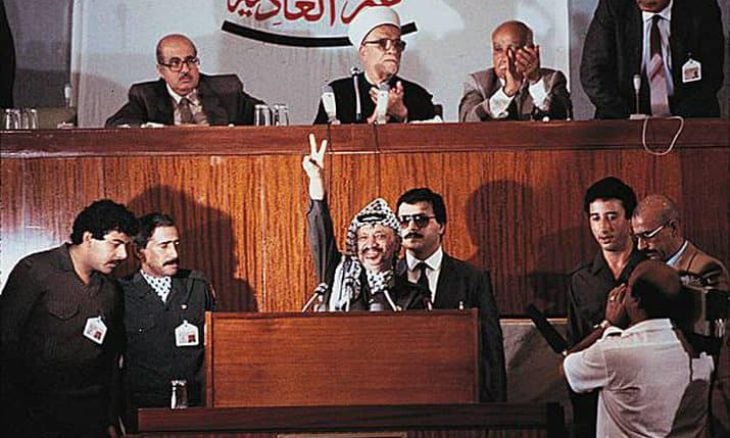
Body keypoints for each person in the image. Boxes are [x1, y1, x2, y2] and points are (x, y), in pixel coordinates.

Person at [0, 199, 138, 437]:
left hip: (90, 416)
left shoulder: (110, 289)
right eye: (116, 244)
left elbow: (111, 361)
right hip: (34, 415)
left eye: (126, 246)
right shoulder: (35, 271)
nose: (123, 255)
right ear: (88, 238)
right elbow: (5, 342)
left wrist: (110, 418)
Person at [563, 260, 714, 436]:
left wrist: (608, 325)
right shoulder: (702, 357)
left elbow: (566, 367)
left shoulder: (613, 353)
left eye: (627, 288)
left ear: (635, 301)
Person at [395, 187, 506, 402]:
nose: (411, 227)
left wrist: (497, 408)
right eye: (404, 221)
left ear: (441, 226)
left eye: (421, 220)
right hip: (404, 394)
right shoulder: (389, 279)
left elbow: (491, 349)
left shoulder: (472, 278)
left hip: (457, 394)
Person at [632, 194, 729, 436]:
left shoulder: (707, 269)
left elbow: (715, 342)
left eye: (647, 236)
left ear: (673, 228)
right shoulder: (644, 269)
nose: (641, 246)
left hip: (699, 391)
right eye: (636, 238)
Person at [302, 134, 427, 311]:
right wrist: (316, 179)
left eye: (380, 236)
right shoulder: (338, 276)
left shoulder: (413, 295)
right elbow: (320, 233)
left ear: (396, 243)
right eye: (363, 238)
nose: (371, 244)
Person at [566, 176, 645, 437]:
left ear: (630, 219)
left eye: (612, 217)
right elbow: (576, 341)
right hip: (594, 396)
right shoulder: (581, 279)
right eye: (595, 218)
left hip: (641, 392)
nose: (603, 227)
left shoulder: (651, 270)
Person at [120, 213, 215, 430]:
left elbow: (215, 347)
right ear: (139, 251)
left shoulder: (197, 286)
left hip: (195, 407)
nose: (174, 254)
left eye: (176, 244)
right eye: (164, 246)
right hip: (144, 410)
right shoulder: (122, 293)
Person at [580, 0, 724, 119]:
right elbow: (592, 74)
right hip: (624, 119)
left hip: (690, 119)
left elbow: (712, 75)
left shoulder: (702, 8)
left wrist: (677, 121)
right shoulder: (613, 7)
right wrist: (626, 116)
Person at [105, 34, 264, 127]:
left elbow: (265, 116)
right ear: (161, 70)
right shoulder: (146, 96)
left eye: (190, 61)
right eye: (175, 63)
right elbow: (117, 124)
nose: (185, 70)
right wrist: (160, 131)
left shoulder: (226, 90)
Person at [313, 6, 435, 124]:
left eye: (397, 44)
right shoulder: (338, 94)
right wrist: (371, 123)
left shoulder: (417, 95)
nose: (393, 50)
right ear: (363, 51)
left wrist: (402, 114)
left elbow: (435, 135)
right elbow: (317, 136)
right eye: (382, 43)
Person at [459, 20, 572, 122]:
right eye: (498, 49)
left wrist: (535, 81)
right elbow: (466, 122)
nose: (505, 56)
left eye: (514, 48)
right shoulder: (478, 82)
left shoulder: (552, 79)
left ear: (531, 51)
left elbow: (565, 118)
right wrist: (507, 92)